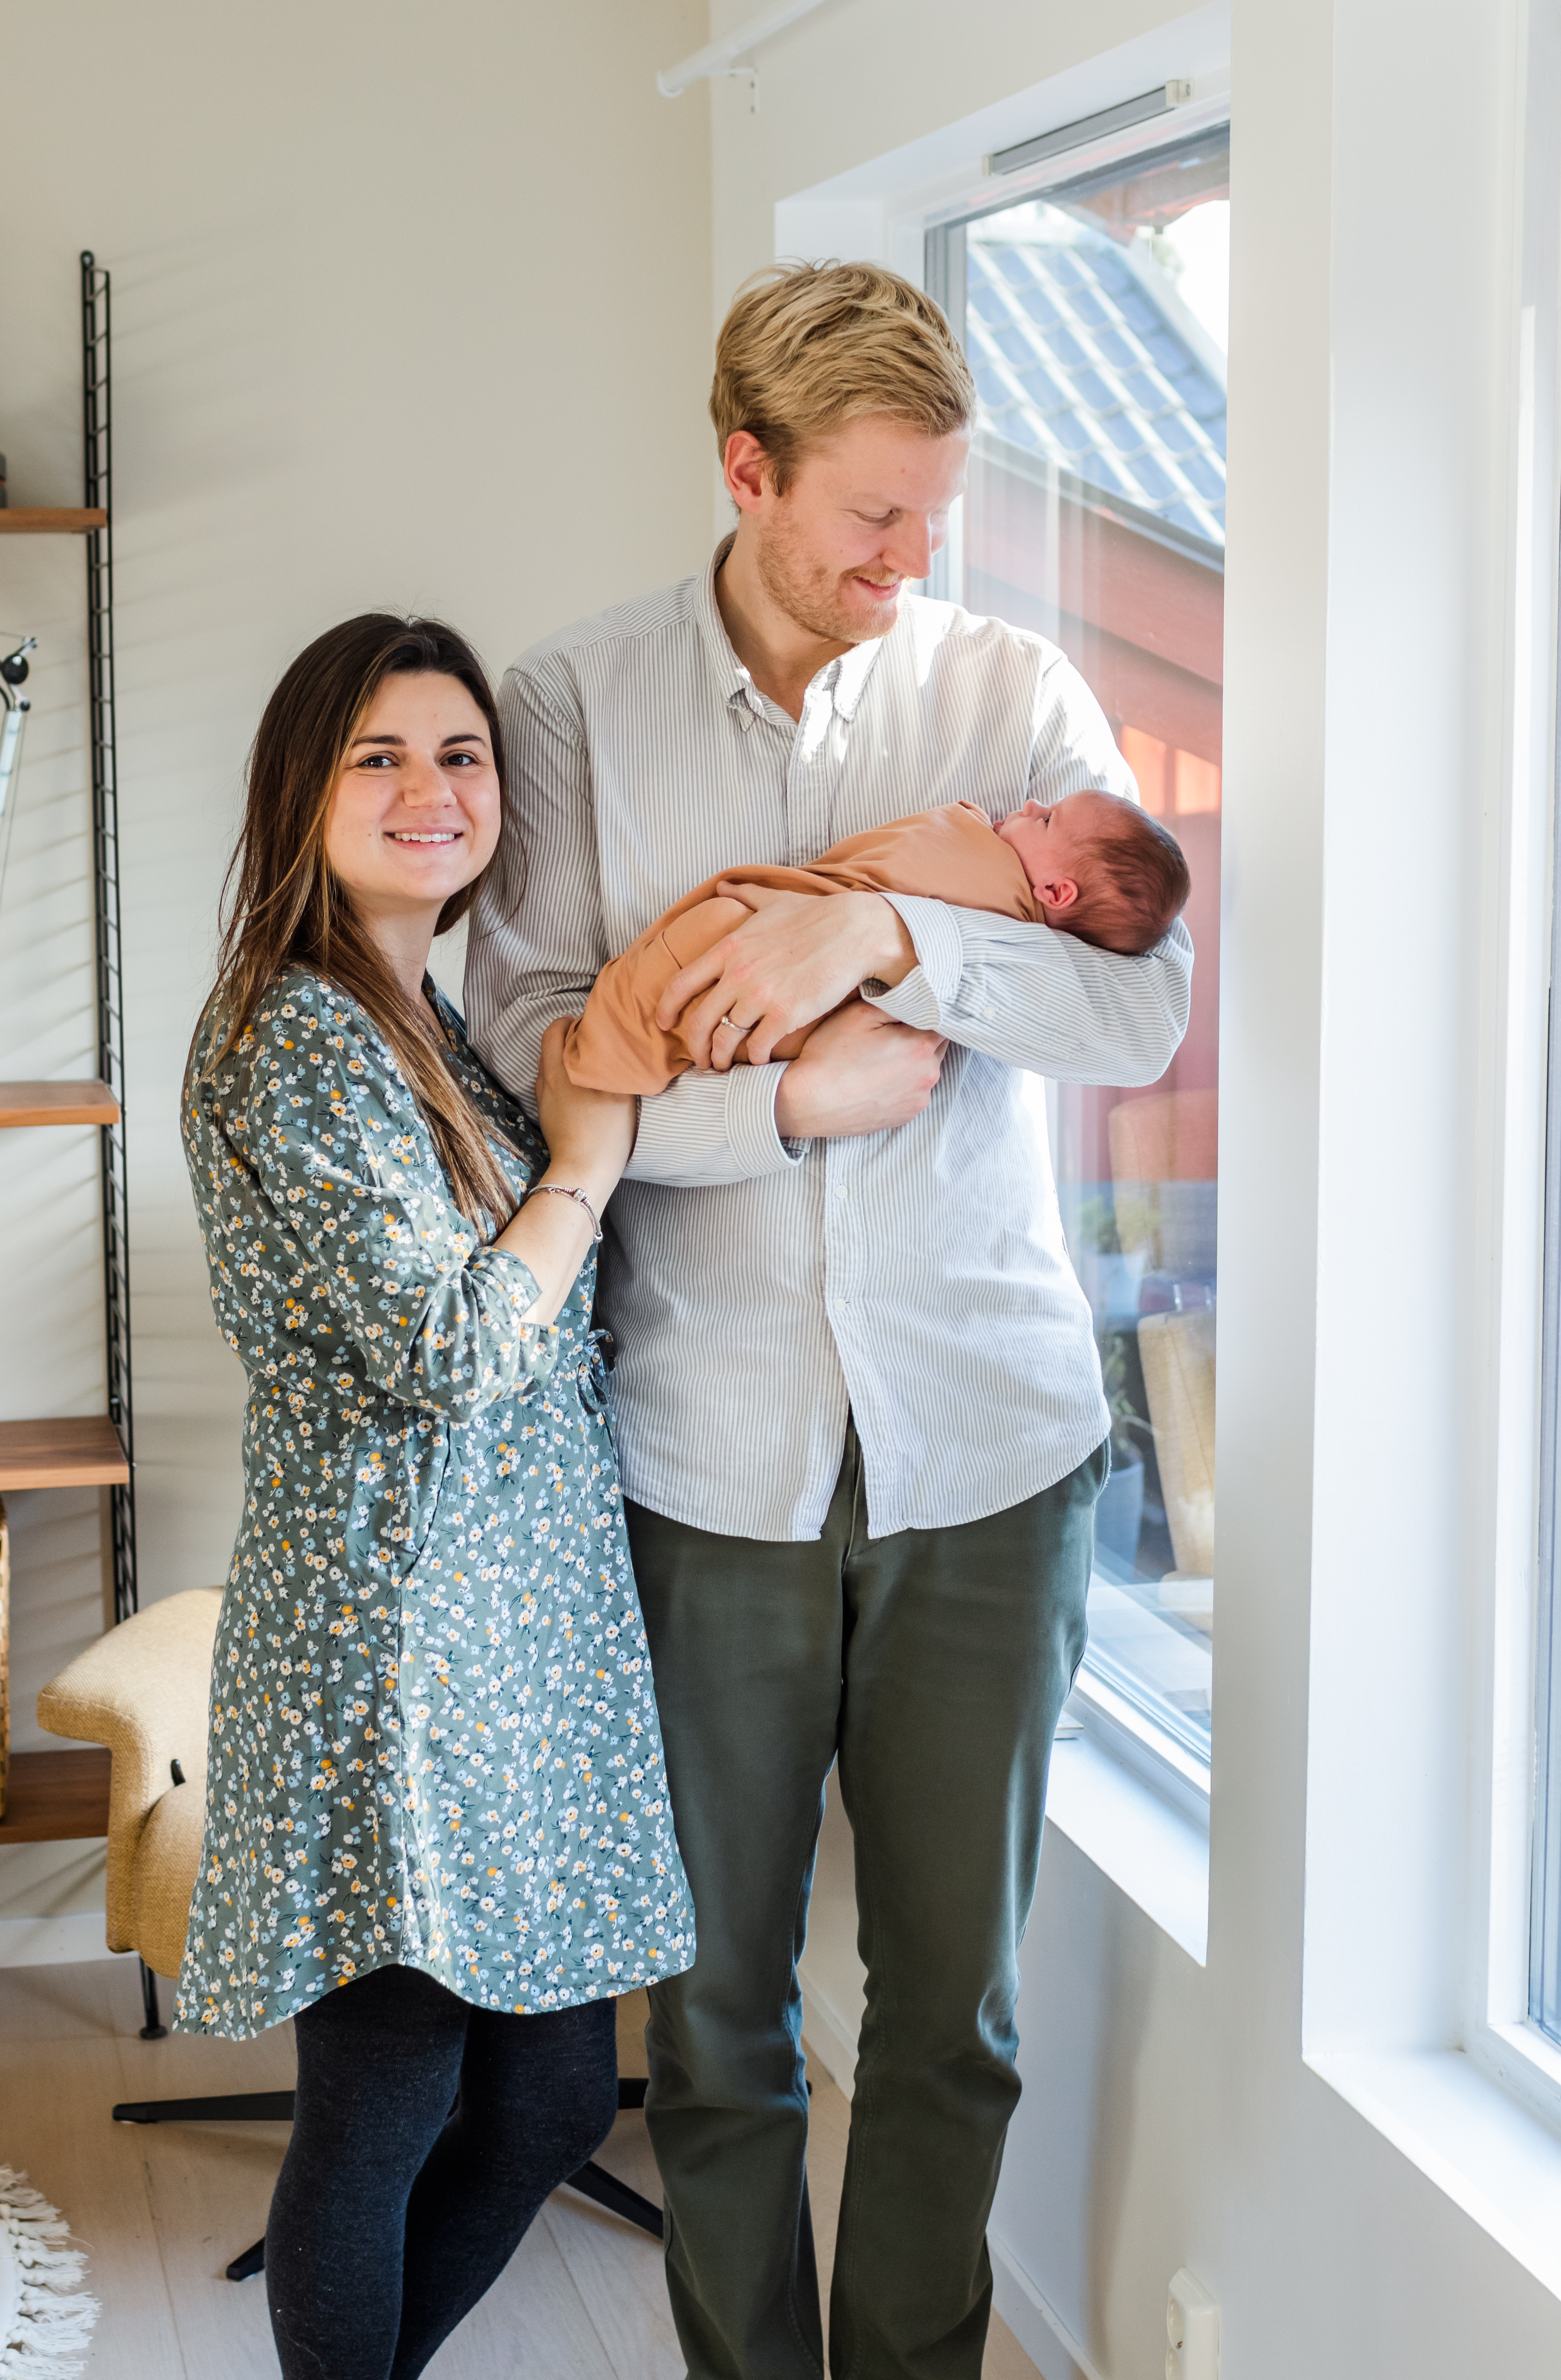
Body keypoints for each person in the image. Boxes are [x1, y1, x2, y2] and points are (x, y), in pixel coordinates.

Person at [466, 262, 1192, 2380]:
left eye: (933, 517)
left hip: (992, 1443)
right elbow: (525, 1045)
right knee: (708, 2017)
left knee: (951, 2014)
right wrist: (777, 1094)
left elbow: (1133, 1003)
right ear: (743, 472)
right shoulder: (574, 702)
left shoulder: (1008, 698)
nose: (906, 561)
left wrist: (884, 927)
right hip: (706, 1451)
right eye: (869, 517)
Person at [174, 611, 694, 2380]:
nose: (430, 789)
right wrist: (592, 1161)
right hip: (385, 1644)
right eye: (378, 757)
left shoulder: (424, 1021)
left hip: (496, 1645)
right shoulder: (297, 1038)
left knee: (549, 2093)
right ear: (300, 791)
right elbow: (459, 1343)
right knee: (386, 2098)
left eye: (459, 754)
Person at [562, 789, 1190, 1093]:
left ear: (1056, 896)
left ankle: (602, 1062)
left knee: (699, 957)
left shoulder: (1036, 699)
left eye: (1046, 817)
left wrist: (881, 931)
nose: (1029, 803)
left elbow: (1148, 1028)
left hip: (968, 1316)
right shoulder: (571, 686)